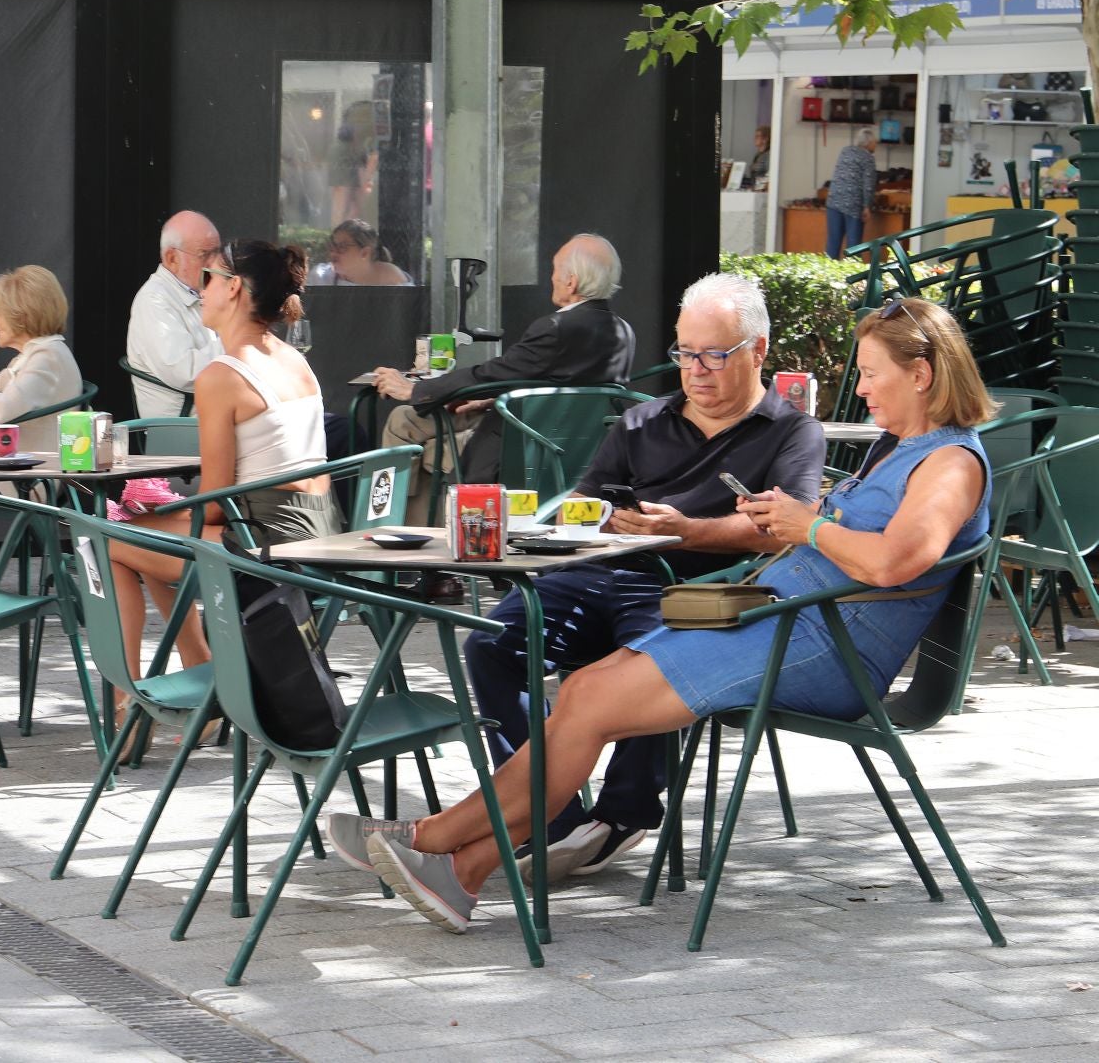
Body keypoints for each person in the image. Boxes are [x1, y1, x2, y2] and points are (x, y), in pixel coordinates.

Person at [333, 296, 993, 936]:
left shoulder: (951, 462)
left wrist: (809, 525)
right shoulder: (899, 447)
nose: (863, 387)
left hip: (822, 646)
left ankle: (432, 839)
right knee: (583, 690)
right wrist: (800, 519)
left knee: (590, 699)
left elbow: (896, 561)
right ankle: (460, 870)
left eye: (872, 373)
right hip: (783, 622)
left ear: (921, 374)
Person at [450, 273, 827, 880]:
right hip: (603, 571)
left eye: (713, 355)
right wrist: (599, 520)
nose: (695, 371)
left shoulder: (791, 431)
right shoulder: (642, 421)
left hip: (699, 590)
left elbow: (786, 528)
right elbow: (585, 502)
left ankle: (624, 812)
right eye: (685, 353)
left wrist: (686, 531)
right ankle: (551, 814)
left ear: (757, 350)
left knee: (657, 653)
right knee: (492, 644)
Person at [108, 240, 341, 751]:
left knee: (113, 540)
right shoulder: (294, 360)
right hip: (319, 538)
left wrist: (168, 513)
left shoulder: (221, 375)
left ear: (234, 288)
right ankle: (197, 666)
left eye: (207, 278)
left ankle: (128, 704)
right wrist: (167, 517)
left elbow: (214, 506)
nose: (200, 290)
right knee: (146, 534)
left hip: (264, 551)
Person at [372, 234, 635, 517]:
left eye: (555, 270)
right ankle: (411, 526)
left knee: (412, 435)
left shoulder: (557, 328)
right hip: (572, 443)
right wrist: (493, 399)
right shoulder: (623, 332)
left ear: (571, 281)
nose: (552, 278)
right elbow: (558, 383)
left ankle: (386, 521)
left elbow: (493, 374)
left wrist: (414, 389)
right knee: (405, 419)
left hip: (523, 446)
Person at [0, 265, 82, 453]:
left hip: (36, 467)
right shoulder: (34, 354)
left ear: (22, 316)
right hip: (21, 463)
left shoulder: (48, 357)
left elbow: (4, 409)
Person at [125, 210, 225, 419]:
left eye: (217, 252)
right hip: (182, 424)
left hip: (212, 411)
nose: (215, 263)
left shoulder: (199, 290)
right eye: (205, 254)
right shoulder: (154, 300)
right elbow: (185, 372)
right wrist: (238, 341)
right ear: (172, 258)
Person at [826, 128, 877, 259]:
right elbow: (868, 184)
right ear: (869, 143)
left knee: (833, 242)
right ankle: (852, 270)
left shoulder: (845, 151)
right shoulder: (868, 158)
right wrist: (867, 206)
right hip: (853, 204)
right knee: (853, 245)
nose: (876, 145)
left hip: (834, 201)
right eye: (875, 142)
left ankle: (829, 269)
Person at [321, 219, 412, 286]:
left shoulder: (392, 278)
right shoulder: (321, 277)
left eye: (342, 247)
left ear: (365, 253)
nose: (333, 253)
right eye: (332, 246)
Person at [747, 125, 772, 190]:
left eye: (757, 136)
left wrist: (761, 187)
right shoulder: (757, 155)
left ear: (765, 139)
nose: (755, 138)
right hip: (756, 189)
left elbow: (769, 175)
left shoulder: (769, 155)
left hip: (763, 191)